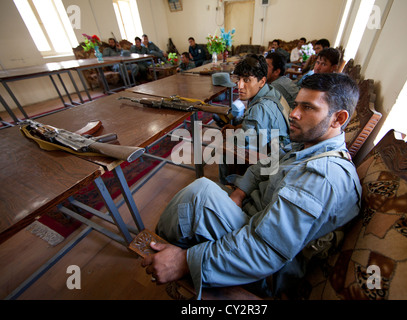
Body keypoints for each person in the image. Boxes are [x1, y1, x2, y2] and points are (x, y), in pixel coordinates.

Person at [141, 72, 361, 300]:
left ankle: (165, 253)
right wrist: (239, 192)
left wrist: (186, 263)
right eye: (296, 105)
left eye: (308, 107)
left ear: (338, 119)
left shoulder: (322, 177)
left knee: (200, 194)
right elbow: (264, 165)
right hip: (254, 223)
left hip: (266, 266)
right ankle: (165, 250)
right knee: (202, 193)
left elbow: (265, 250)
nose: (293, 114)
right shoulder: (309, 146)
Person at [218, 54, 291, 183]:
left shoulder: (258, 109)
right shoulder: (272, 91)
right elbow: (261, 127)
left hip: (273, 164)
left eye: (246, 80)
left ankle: (226, 188)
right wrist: (237, 128)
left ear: (261, 81)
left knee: (224, 150)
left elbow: (246, 143)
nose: (239, 86)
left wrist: (230, 140)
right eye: (238, 79)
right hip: (284, 149)